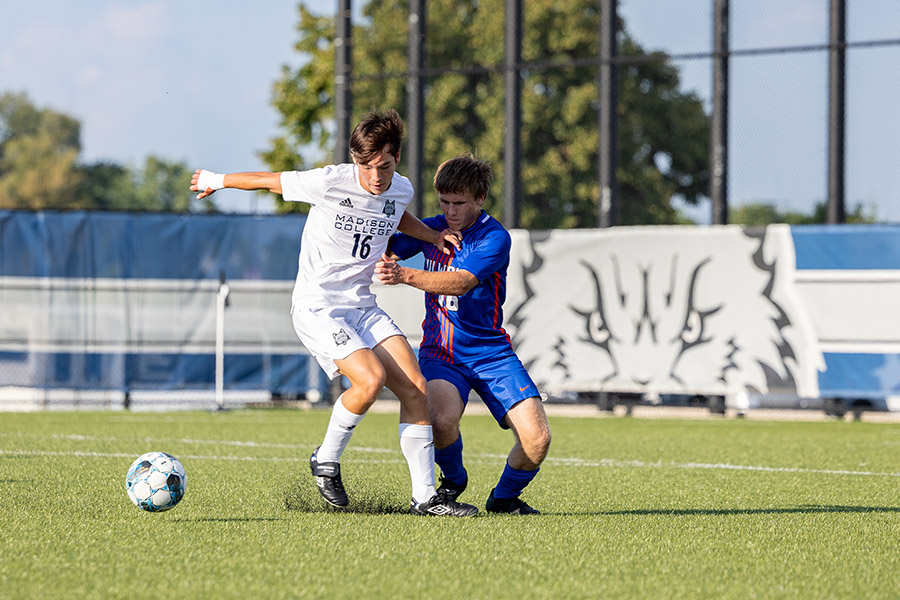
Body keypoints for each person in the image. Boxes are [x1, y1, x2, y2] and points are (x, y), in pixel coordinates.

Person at [190, 109, 478, 517]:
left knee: (416, 389)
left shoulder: (400, 190)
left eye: (383, 166)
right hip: (318, 307)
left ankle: (425, 498)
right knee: (371, 380)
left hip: (362, 306)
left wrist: (432, 235)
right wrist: (215, 181)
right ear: (354, 160)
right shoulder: (329, 181)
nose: (374, 177)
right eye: (366, 166)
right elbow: (270, 182)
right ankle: (326, 459)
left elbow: (394, 213)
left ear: (396, 157)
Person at [375, 154, 551, 514]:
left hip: (491, 353)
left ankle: (503, 500)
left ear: (480, 199)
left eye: (459, 203)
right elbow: (384, 245)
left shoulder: (494, 238)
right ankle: (453, 481)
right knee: (440, 421)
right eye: (444, 202)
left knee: (537, 440)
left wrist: (404, 275)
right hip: (441, 353)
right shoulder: (432, 229)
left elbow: (461, 283)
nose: (450, 211)